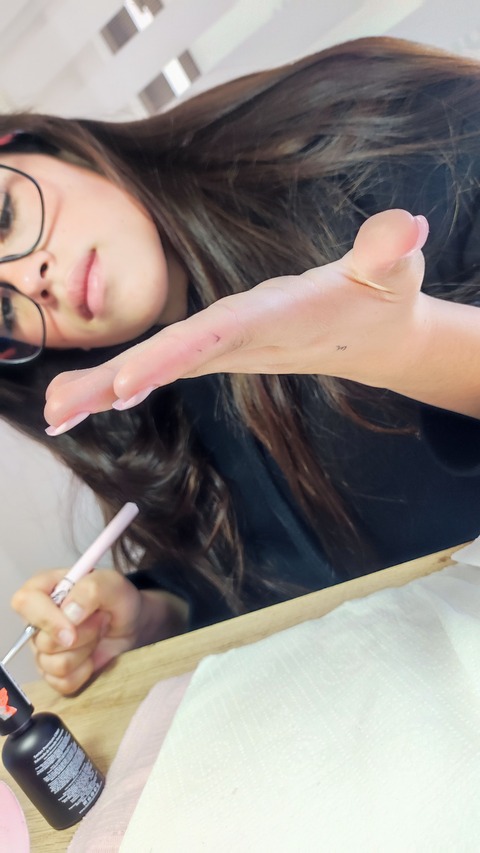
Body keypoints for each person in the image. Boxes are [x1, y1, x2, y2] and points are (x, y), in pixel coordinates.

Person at [2, 36, 480, 695]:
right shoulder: (154, 421)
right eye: (3, 310)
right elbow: (262, 583)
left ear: (44, 146)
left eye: (4, 218)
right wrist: (149, 614)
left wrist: (416, 346)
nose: (32, 279)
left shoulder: (366, 131)